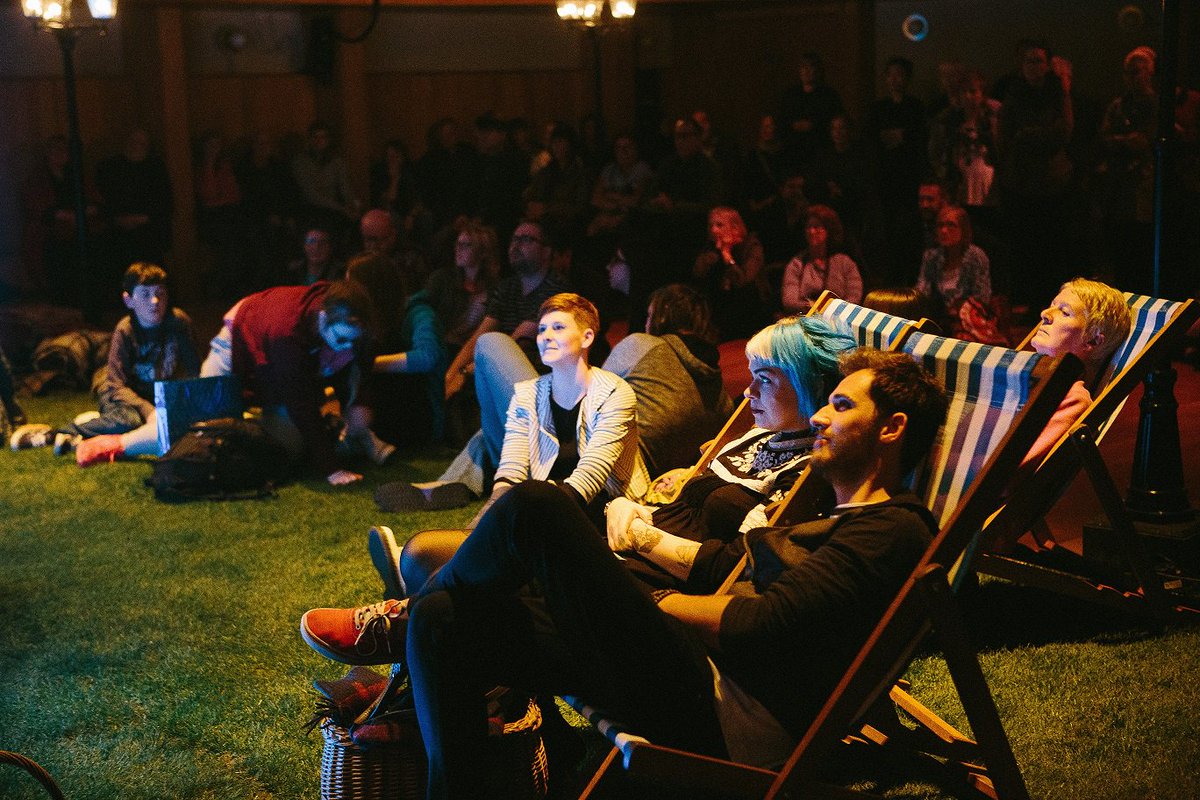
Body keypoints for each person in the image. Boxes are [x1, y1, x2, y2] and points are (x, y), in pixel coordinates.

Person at [299, 348, 947, 799]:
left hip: (721, 714)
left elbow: (761, 623)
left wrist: (647, 598)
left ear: (892, 428)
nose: (819, 418)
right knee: (448, 619)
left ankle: (400, 618)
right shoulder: (835, 519)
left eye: (840, 406)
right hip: (690, 674)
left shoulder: (894, 528)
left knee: (539, 508)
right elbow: (727, 568)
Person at [378, 293, 647, 517]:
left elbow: (590, 478)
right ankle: (424, 557)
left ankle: (454, 486)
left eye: (558, 328)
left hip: (599, 505)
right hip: (541, 493)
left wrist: (529, 508)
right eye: (541, 329)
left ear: (587, 338)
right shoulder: (528, 394)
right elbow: (511, 470)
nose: (546, 336)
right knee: (498, 517)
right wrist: (493, 510)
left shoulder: (614, 392)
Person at [10, 263, 199, 466]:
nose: (155, 302)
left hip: (158, 395)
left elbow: (194, 370)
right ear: (129, 300)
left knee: (184, 423)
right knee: (130, 421)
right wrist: (149, 411)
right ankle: (57, 433)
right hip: (122, 395)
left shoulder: (179, 322)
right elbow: (116, 385)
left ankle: (93, 427)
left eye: (160, 293)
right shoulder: (125, 330)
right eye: (145, 295)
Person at [199, 279, 377, 486]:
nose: (346, 348)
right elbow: (299, 401)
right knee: (206, 422)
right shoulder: (286, 334)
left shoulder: (346, 311)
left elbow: (359, 364)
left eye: (353, 341)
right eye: (341, 340)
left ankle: (249, 423)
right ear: (323, 318)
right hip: (240, 330)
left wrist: (359, 406)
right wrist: (332, 469)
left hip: (282, 340)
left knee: (290, 448)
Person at [595, 283, 734, 477]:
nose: (646, 324)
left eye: (650, 315)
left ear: (661, 316)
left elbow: (591, 397)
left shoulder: (642, 346)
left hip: (621, 470)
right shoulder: (718, 388)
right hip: (677, 479)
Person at [442, 219, 570, 402]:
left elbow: (516, 342)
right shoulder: (507, 287)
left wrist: (464, 374)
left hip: (537, 377)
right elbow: (480, 335)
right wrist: (449, 376)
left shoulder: (556, 290)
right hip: (498, 369)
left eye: (526, 240)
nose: (516, 245)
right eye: (514, 239)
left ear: (546, 251)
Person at [914, 205, 993, 337]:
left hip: (967, 322)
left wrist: (959, 309)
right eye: (940, 225)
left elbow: (982, 296)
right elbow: (922, 290)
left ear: (963, 229)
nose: (944, 230)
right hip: (939, 320)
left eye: (951, 225)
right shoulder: (931, 257)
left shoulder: (976, 256)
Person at [692, 206, 767, 341]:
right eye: (711, 225)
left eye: (719, 225)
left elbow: (743, 280)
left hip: (749, 309)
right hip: (719, 312)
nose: (713, 230)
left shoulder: (752, 246)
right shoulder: (711, 249)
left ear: (735, 228)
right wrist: (714, 256)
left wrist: (727, 256)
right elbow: (698, 274)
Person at [780, 204, 863, 313]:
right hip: (806, 318)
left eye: (817, 227)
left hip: (839, 320)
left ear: (829, 230)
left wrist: (834, 311)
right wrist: (815, 308)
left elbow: (855, 296)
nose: (811, 231)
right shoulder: (797, 263)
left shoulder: (845, 263)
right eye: (808, 227)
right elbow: (789, 301)